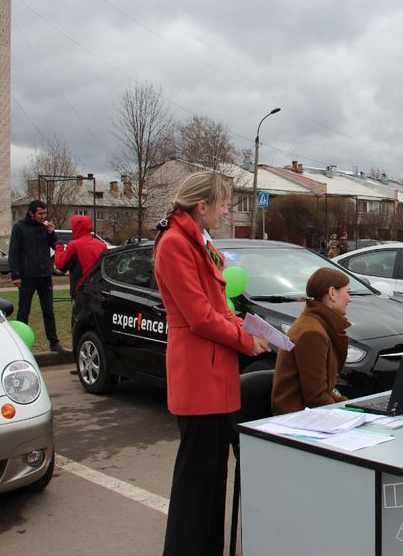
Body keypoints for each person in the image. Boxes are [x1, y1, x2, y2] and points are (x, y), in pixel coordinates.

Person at [153, 171, 269, 556]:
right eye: (221, 205)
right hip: (198, 375)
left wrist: (250, 328)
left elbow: (219, 309)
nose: (224, 212)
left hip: (217, 374)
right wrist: (244, 339)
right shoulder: (174, 244)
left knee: (213, 478)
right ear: (201, 206)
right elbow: (199, 316)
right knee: (196, 484)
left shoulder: (198, 242)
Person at [272, 268, 352, 414]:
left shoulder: (314, 323)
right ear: (332, 293)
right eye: (348, 292)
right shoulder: (312, 333)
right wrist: (347, 413)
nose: (350, 299)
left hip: (303, 414)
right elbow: (317, 399)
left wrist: (350, 405)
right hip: (298, 418)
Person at [8, 200, 68, 355]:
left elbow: (56, 247)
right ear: (31, 213)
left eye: (45, 213)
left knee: (49, 311)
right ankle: (20, 344)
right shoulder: (19, 227)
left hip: (45, 275)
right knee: (24, 310)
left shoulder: (45, 228)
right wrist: (16, 275)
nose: (43, 216)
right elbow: (13, 252)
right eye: (40, 213)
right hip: (27, 277)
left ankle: (54, 343)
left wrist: (51, 233)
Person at [53, 215, 107, 299]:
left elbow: (60, 265)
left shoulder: (75, 245)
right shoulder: (101, 244)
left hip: (82, 290)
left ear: (75, 227)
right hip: (98, 289)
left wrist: (58, 245)